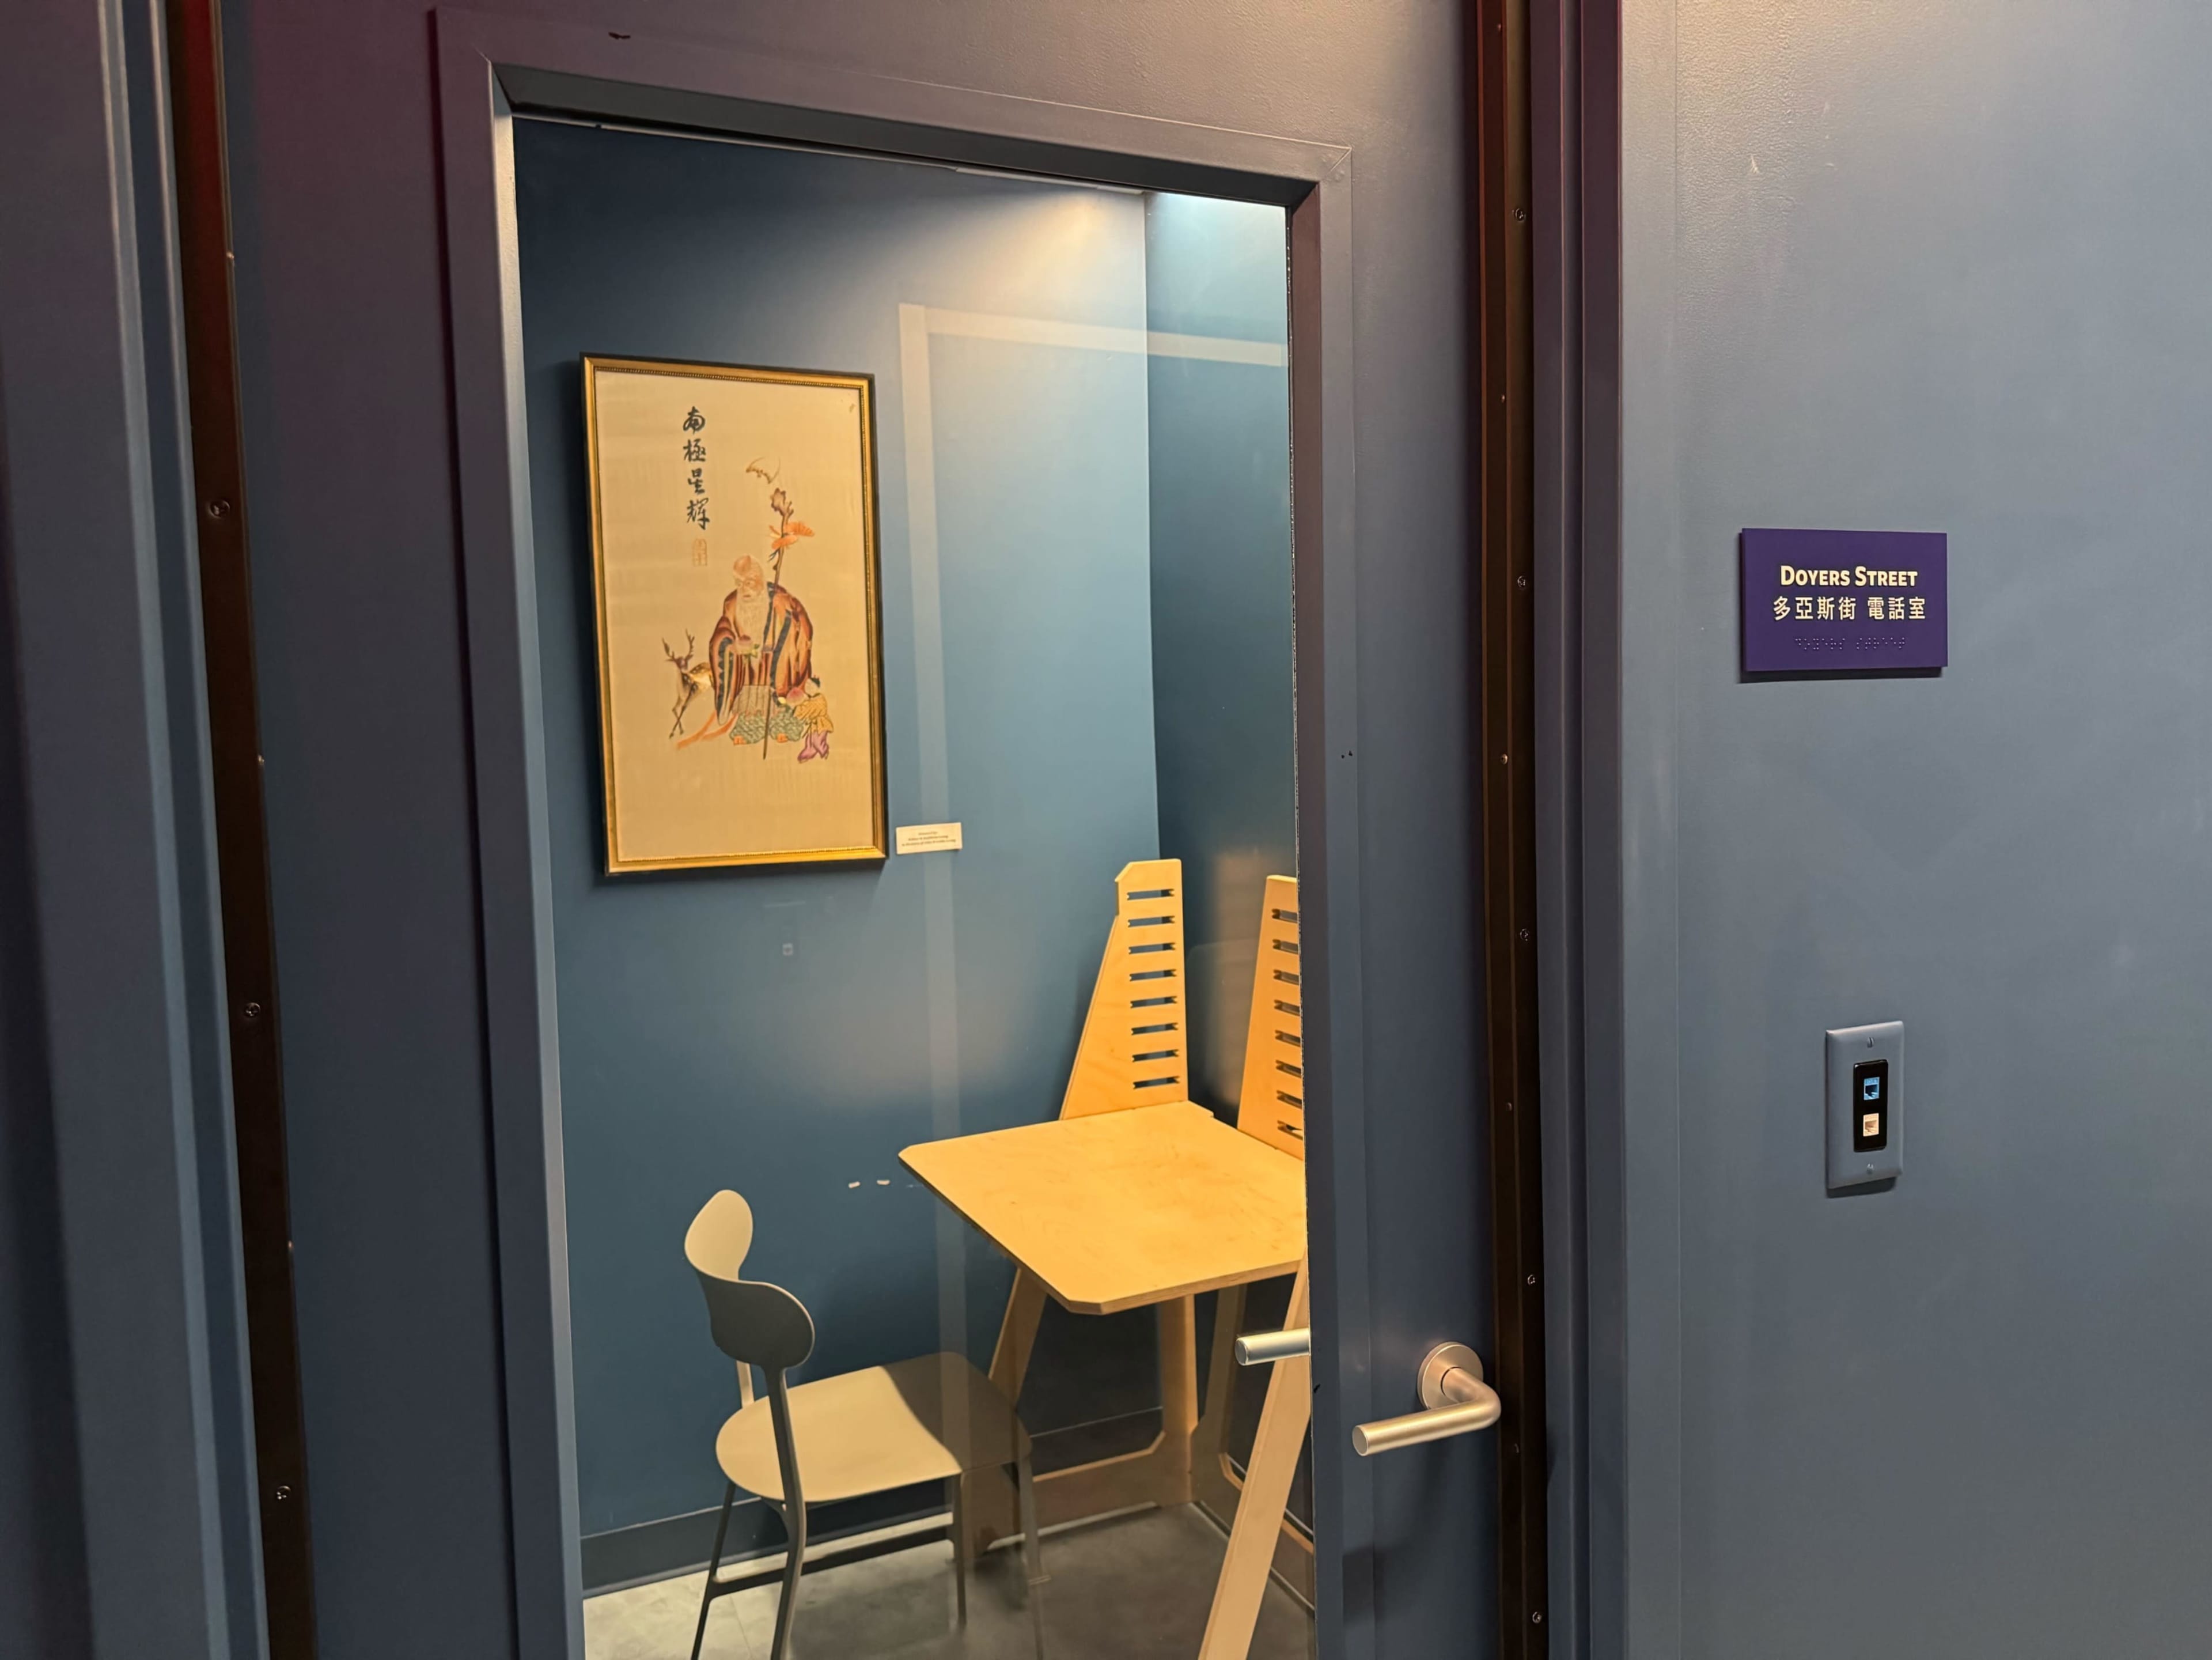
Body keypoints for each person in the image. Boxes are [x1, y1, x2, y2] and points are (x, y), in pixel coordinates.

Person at [679, 556, 815, 747]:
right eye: (739, 583)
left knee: (780, 706)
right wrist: (733, 646)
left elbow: (803, 630)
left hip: (777, 664)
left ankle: (782, 726)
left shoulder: (782, 601)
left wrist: (787, 636)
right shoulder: (732, 604)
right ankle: (749, 728)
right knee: (750, 712)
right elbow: (721, 634)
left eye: (749, 583)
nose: (744, 589)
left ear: (760, 580)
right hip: (749, 670)